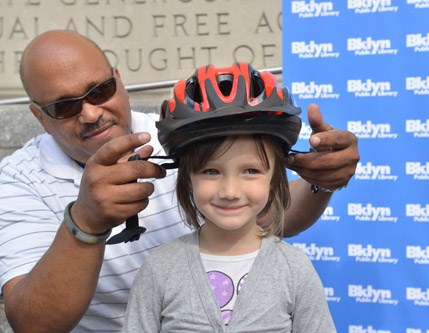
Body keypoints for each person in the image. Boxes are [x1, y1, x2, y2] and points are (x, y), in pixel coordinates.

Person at [0, 30, 357, 332]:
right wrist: (85, 224)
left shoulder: (179, 136)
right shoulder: (18, 180)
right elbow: (32, 322)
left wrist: (321, 181)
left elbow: (267, 214)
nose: (91, 113)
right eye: (64, 107)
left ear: (119, 80)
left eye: (99, 91)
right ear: (39, 116)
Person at [123, 62, 336, 332]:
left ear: (275, 177)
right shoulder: (159, 269)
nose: (230, 192)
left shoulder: (294, 269)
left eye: (251, 170)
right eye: (211, 171)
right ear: (188, 176)